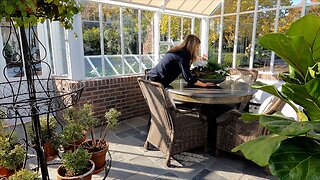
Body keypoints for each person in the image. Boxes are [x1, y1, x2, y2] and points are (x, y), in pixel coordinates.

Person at [148, 34, 215, 89]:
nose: (198, 49)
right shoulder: (184, 56)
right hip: (156, 82)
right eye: (197, 47)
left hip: (152, 78)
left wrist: (197, 58)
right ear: (192, 47)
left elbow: (181, 64)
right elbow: (188, 78)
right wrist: (204, 85)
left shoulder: (179, 51)